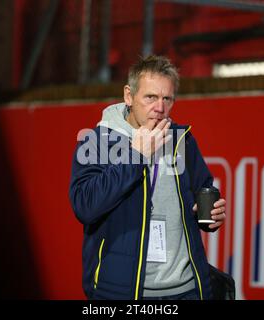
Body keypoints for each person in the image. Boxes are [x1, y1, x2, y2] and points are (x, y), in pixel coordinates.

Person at [69, 55, 226, 300]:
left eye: (167, 99)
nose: (160, 107)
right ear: (129, 96)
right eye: (150, 97)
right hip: (123, 292)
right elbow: (85, 206)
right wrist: (135, 156)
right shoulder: (96, 142)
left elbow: (202, 193)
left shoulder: (182, 140)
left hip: (186, 289)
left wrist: (208, 215)